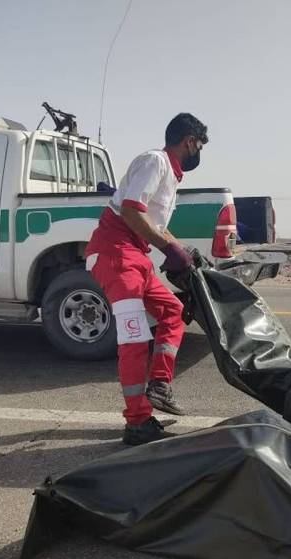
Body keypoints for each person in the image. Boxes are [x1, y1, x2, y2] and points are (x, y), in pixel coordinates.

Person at [85, 113, 208, 445]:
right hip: (114, 254)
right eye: (200, 145)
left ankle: (159, 386)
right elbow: (130, 210)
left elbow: (155, 222)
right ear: (190, 142)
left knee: (173, 312)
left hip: (135, 258)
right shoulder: (155, 161)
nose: (199, 152)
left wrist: (183, 249)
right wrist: (168, 247)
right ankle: (137, 422)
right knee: (134, 338)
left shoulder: (170, 176)